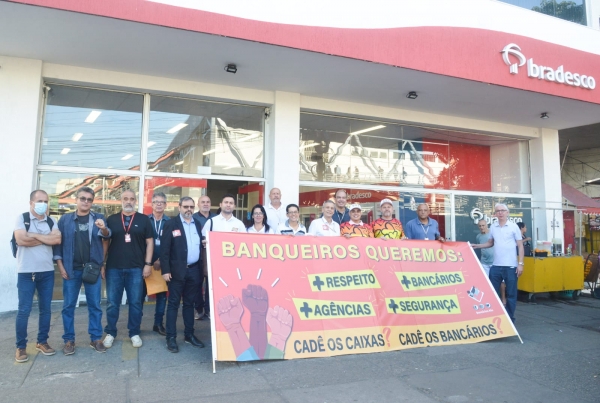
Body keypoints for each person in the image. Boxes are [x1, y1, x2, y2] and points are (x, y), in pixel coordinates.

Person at [55, 186, 110, 355]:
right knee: (68, 306)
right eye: (83, 198)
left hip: (92, 268)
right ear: (76, 200)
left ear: (92, 202)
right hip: (71, 270)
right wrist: (61, 266)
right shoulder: (65, 220)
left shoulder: (99, 218)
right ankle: (69, 340)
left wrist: (103, 229)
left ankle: (95, 338)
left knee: (95, 305)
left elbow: (107, 236)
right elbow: (58, 244)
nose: (86, 202)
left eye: (89, 199)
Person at [13, 190, 61, 363]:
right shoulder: (22, 218)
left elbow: (57, 240)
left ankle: (42, 342)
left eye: (46, 201)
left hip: (47, 272)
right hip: (26, 272)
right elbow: (20, 240)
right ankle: (21, 347)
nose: (43, 204)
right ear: (31, 202)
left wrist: (32, 236)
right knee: (24, 311)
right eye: (40, 201)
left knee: (46, 309)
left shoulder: (51, 220)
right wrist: (45, 238)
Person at [102, 189, 154, 349]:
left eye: (132, 198)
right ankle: (110, 332)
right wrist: (102, 264)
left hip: (136, 269)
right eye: (125, 198)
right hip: (114, 268)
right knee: (112, 303)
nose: (129, 201)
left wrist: (148, 264)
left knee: (136, 303)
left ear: (135, 201)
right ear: (121, 201)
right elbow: (105, 242)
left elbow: (150, 242)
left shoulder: (144, 220)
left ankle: (134, 332)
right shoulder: (111, 220)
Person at [160, 197, 205, 353]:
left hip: (194, 271)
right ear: (179, 207)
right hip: (176, 272)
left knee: (189, 304)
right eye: (185, 206)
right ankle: (171, 338)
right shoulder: (171, 224)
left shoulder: (197, 224)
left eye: (191, 207)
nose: (189, 209)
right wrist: (165, 271)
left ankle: (189, 335)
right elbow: (164, 251)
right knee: (173, 305)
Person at [472, 203, 524, 323]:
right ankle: (493, 317)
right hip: (496, 266)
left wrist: (520, 264)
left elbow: (520, 246)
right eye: (497, 211)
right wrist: (477, 246)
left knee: (511, 295)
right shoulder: (493, 227)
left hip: (511, 266)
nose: (500, 213)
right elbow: (490, 243)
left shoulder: (513, 226)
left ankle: (510, 319)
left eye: (502, 210)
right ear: (495, 214)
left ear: (507, 212)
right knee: (492, 293)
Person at [141, 192, 169, 336]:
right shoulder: (145, 220)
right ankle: (135, 326)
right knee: (139, 296)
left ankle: (158, 324)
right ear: (151, 204)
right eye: (156, 202)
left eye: (162, 202)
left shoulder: (170, 222)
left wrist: (160, 260)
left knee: (162, 297)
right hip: (144, 265)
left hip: (161, 266)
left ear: (165, 205)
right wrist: (147, 262)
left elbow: (171, 245)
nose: (159, 204)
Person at [192, 195, 216, 321]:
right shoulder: (193, 218)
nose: (205, 204)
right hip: (198, 256)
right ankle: (199, 309)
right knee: (197, 284)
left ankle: (208, 309)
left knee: (210, 285)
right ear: (198, 204)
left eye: (208, 202)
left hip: (212, 256)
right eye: (203, 202)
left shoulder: (216, 219)